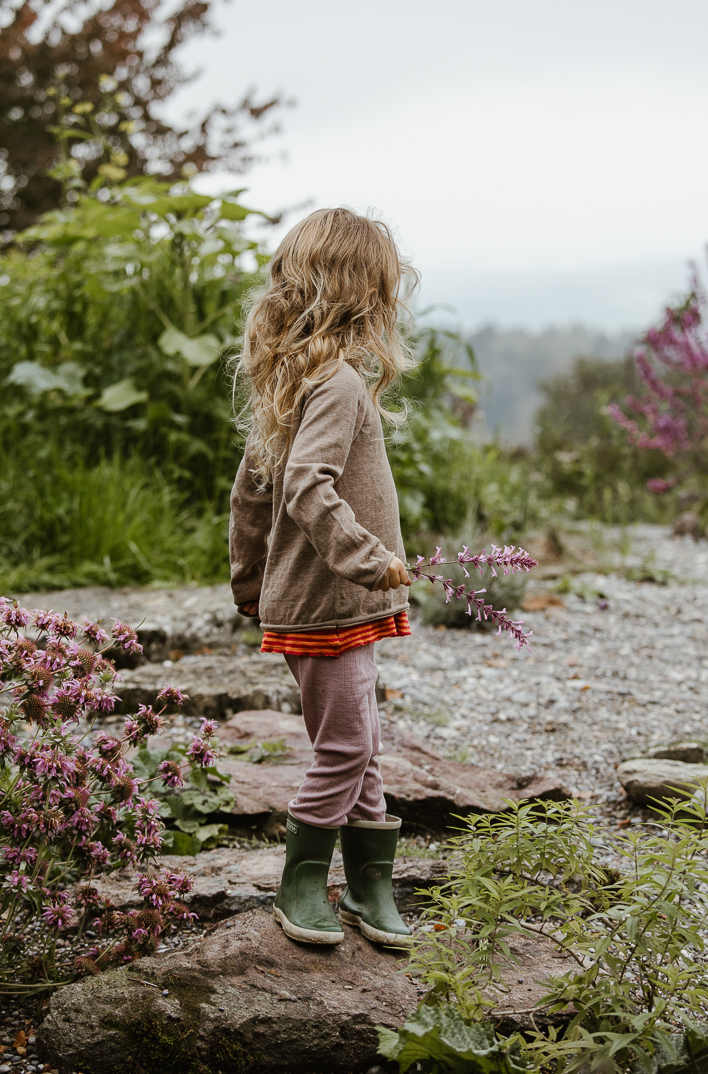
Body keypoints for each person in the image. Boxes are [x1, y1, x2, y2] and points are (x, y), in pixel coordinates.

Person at [229, 207, 416, 946]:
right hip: (335, 601)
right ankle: (302, 882)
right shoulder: (336, 382)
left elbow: (251, 490)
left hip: (316, 602)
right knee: (344, 747)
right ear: (365, 295)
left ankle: (372, 886)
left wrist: (249, 582)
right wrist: (373, 561)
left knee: (358, 741)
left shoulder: (296, 378)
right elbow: (305, 485)